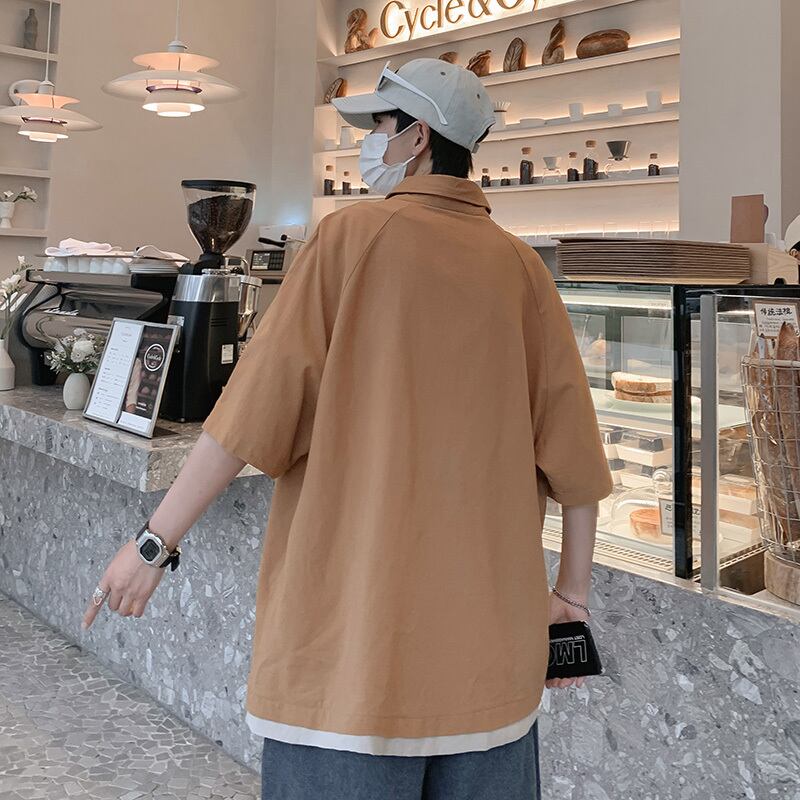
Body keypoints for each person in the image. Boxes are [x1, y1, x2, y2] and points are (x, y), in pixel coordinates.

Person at [83, 58, 613, 799]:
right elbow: (577, 462)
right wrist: (570, 600)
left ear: (418, 137)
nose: (372, 142)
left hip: (351, 673)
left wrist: (152, 544)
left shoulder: (348, 239)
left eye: (382, 126)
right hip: (492, 680)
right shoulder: (524, 269)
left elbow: (247, 419)